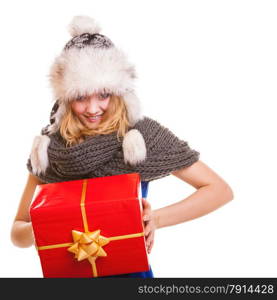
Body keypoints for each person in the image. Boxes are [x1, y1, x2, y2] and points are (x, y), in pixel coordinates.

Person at [10, 15, 233, 278]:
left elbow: (219, 190)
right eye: (81, 97)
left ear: (118, 92)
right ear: (66, 97)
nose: (93, 109)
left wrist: (156, 219)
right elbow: (17, 231)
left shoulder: (141, 135)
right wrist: (41, 228)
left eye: (104, 94)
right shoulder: (50, 149)